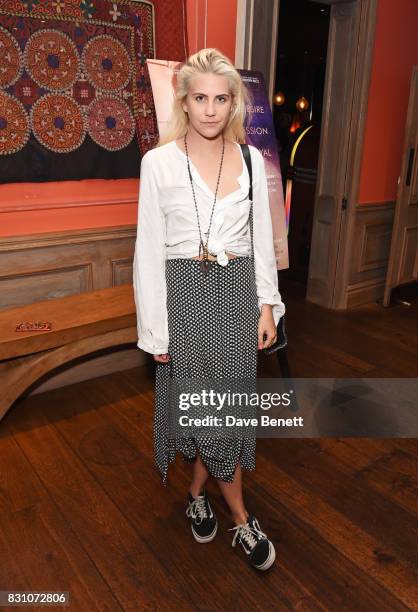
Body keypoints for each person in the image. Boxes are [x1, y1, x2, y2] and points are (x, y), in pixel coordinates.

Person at [133, 48, 285, 571]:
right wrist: (156, 331)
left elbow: (261, 239)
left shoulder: (248, 159)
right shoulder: (158, 162)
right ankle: (241, 518)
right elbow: (148, 250)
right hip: (186, 299)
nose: (211, 110)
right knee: (211, 412)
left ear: (234, 103)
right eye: (200, 98)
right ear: (184, 100)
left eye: (222, 99)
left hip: (238, 294)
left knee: (224, 410)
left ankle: (197, 494)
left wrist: (267, 306)